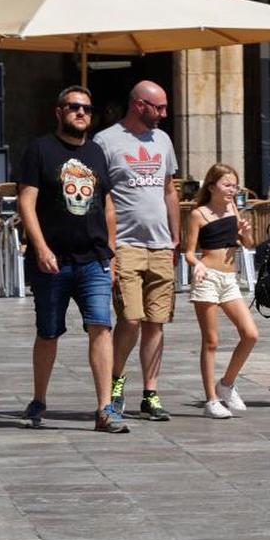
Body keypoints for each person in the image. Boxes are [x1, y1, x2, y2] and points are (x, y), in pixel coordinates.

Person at [16, 85, 126, 433]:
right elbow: (26, 203)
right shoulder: (40, 150)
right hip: (53, 260)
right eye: (74, 107)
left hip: (93, 258)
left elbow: (107, 205)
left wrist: (110, 252)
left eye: (87, 109)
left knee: (101, 326)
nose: (82, 113)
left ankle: (105, 408)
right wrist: (40, 247)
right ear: (59, 111)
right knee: (48, 333)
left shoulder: (96, 152)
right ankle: (39, 400)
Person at [93, 81, 179, 422]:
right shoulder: (105, 141)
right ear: (139, 105)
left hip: (160, 245)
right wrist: (108, 245)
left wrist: (176, 237)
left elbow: (169, 189)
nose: (163, 114)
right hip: (126, 245)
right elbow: (100, 196)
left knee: (156, 322)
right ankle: (115, 382)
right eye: (158, 108)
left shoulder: (163, 140)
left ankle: (150, 392)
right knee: (130, 318)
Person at [182, 164, 259, 419]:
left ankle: (225, 384)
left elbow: (247, 245)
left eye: (234, 185)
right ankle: (211, 400)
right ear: (212, 186)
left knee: (250, 334)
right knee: (211, 341)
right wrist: (198, 265)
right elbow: (189, 252)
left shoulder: (233, 209)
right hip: (208, 278)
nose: (232, 190)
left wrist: (246, 234)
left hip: (229, 279)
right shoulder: (198, 214)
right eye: (227, 185)